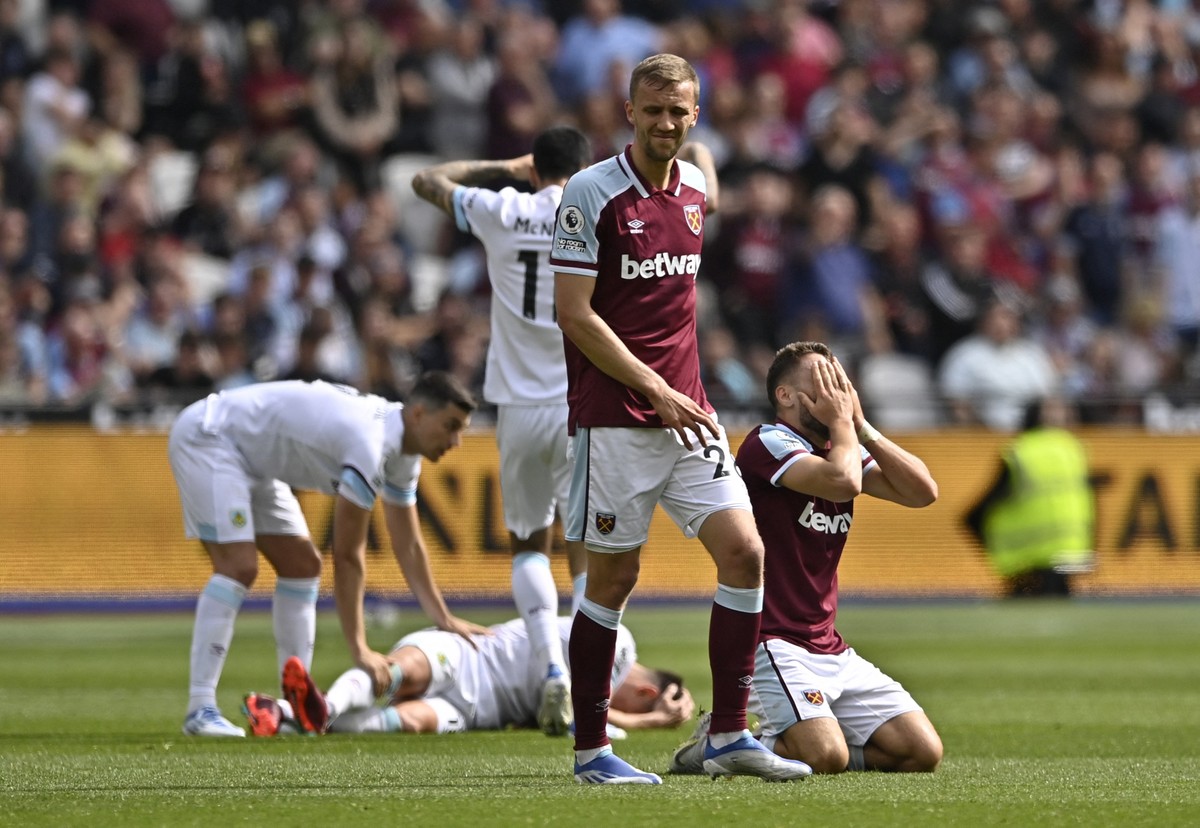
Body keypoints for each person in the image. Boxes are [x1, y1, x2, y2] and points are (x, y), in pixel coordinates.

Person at [549, 53, 813, 785]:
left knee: (746, 555)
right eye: (653, 111)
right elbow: (575, 315)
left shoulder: (695, 184)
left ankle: (728, 735)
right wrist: (654, 390)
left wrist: (677, 397)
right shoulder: (589, 194)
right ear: (628, 113)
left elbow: (705, 186)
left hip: (689, 416)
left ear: (695, 115)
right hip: (616, 420)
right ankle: (593, 752)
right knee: (612, 581)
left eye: (679, 112)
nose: (666, 124)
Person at [168, 371, 491, 737]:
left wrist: (444, 617)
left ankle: (293, 705)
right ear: (418, 414)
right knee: (238, 566)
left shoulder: (403, 454)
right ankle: (200, 708)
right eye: (450, 426)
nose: (456, 441)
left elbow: (410, 544)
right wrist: (360, 648)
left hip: (251, 459)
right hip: (210, 437)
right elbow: (348, 552)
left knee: (302, 565)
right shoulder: (372, 444)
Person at [672, 341, 943, 775]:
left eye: (841, 381)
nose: (837, 391)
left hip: (830, 646)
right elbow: (842, 482)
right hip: (773, 642)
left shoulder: (844, 446)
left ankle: (778, 738)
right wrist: (843, 425)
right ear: (786, 396)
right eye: (823, 381)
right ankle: (722, 742)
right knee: (825, 756)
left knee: (921, 752)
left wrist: (862, 426)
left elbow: (923, 492)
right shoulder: (769, 441)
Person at [411, 126, 594, 737]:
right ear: (584, 166)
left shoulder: (504, 208)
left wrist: (503, 166)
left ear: (534, 166)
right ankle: (588, 679)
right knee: (586, 543)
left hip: (517, 405)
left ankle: (549, 670)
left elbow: (425, 180)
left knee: (527, 542)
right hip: (579, 401)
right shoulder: (599, 214)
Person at [241, 615, 695, 739]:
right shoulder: (618, 647)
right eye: (641, 706)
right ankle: (322, 707)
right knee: (403, 673)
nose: (618, 711)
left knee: (409, 721)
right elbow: (581, 713)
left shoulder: (615, 673)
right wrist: (653, 722)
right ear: (646, 691)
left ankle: (283, 712)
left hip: (477, 707)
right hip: (469, 655)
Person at [965, 397, 1095, 597]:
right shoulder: (1073, 450)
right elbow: (1089, 504)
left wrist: (997, 549)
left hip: (1026, 558)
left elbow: (977, 513)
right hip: (1068, 553)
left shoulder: (1020, 452)